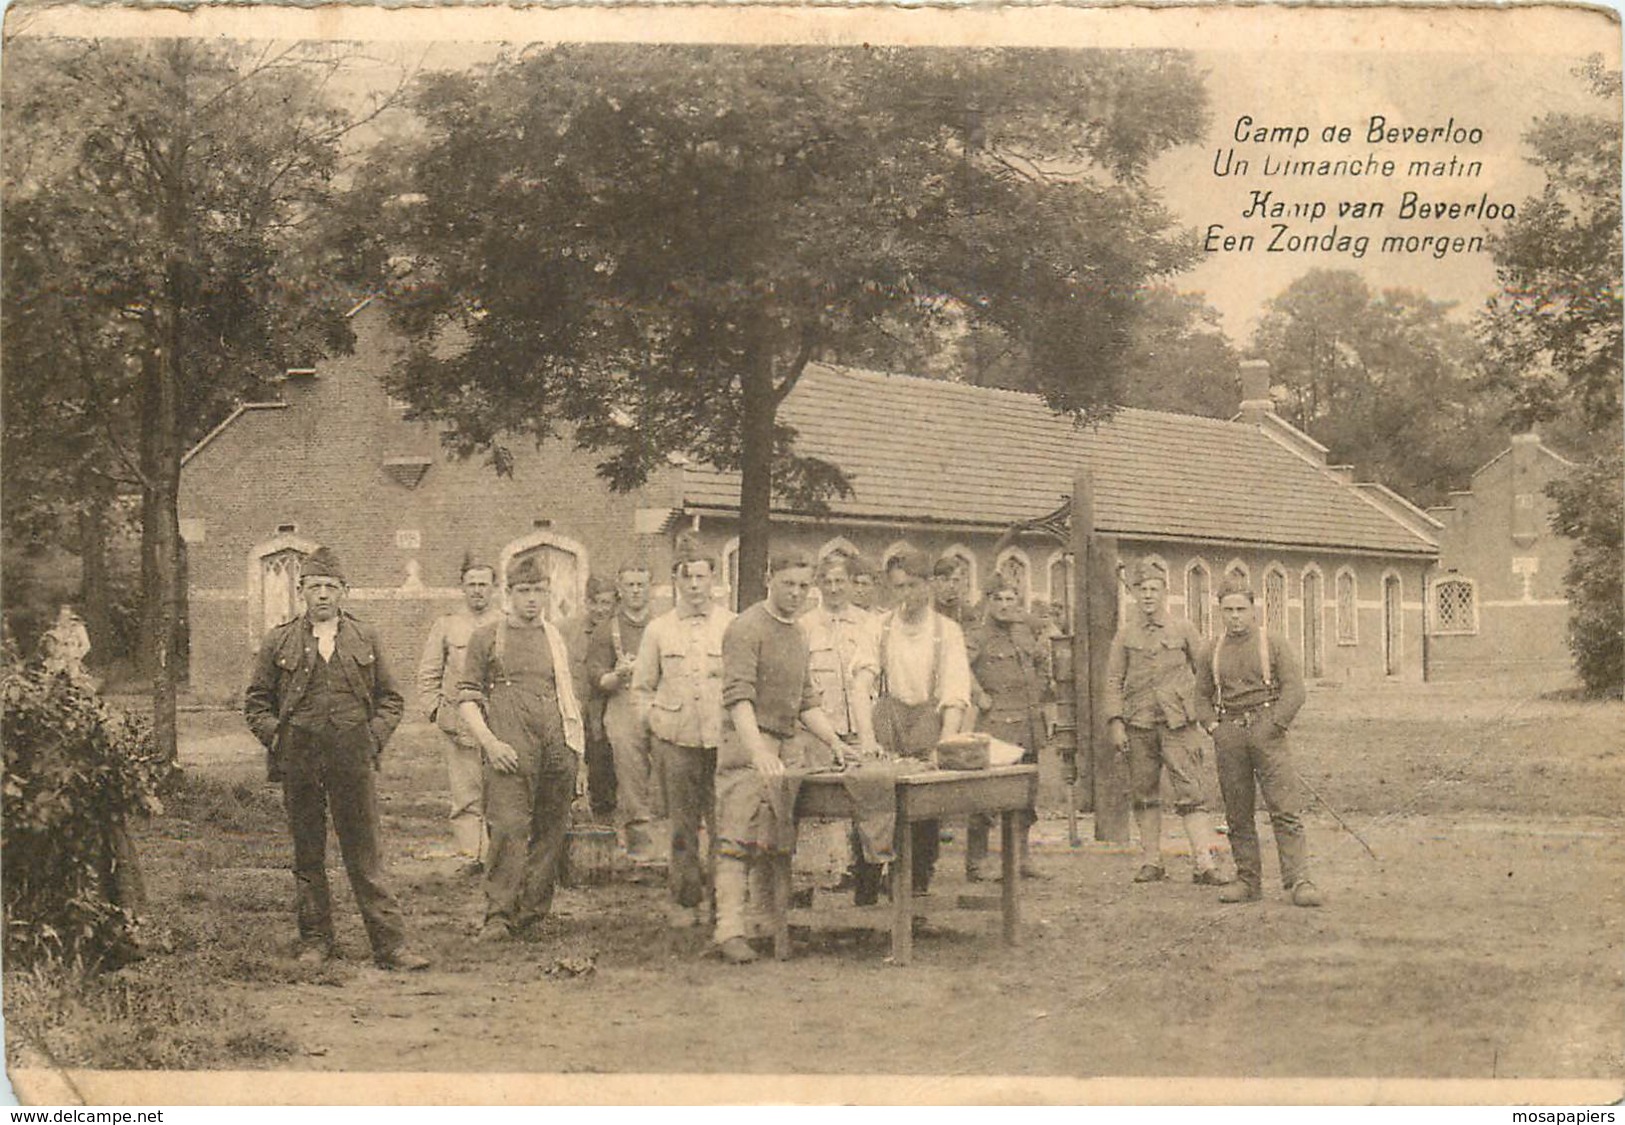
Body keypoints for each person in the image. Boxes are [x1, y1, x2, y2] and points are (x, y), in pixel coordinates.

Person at [243, 547, 429, 970]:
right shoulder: (279, 640)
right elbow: (255, 703)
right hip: (300, 758)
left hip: (352, 757)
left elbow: (392, 700)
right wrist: (280, 739)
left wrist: (371, 739)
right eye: (314, 587)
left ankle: (391, 945)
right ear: (301, 591)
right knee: (308, 854)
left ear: (344, 591)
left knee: (365, 853)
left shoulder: (365, 638)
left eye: (330, 587)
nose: (322, 595)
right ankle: (316, 941)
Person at [714, 550, 850, 964]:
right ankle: (728, 930)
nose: (795, 592)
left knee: (773, 841)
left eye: (803, 586)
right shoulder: (746, 627)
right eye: (788, 583)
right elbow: (738, 697)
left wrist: (836, 741)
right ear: (769, 578)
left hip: (785, 747)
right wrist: (758, 751)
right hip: (746, 745)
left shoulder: (798, 633)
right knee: (737, 839)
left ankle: (768, 925)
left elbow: (806, 698)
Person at [456, 555, 587, 941]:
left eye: (539, 591)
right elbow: (467, 698)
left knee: (550, 828)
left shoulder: (557, 638)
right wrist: (491, 743)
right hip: (509, 746)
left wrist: (576, 757)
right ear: (508, 593)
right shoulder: (488, 638)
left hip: (556, 744)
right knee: (509, 827)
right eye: (523, 591)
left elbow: (571, 699)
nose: (531, 599)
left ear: (548, 593)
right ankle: (499, 914)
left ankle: (533, 913)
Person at [852, 550, 973, 904]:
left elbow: (954, 694)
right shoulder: (879, 626)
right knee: (871, 802)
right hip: (887, 724)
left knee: (922, 817)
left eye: (913, 585)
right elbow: (861, 684)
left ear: (929, 584)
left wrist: (945, 744)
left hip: (927, 727)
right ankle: (866, 893)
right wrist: (866, 739)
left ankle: (914, 896)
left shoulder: (946, 632)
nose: (906, 595)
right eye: (898, 587)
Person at [1194, 575, 1321, 907]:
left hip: (1268, 729)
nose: (1235, 616)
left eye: (1241, 609)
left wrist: (1275, 724)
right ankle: (1248, 881)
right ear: (1220, 612)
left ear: (1253, 610)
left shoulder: (1273, 643)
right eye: (1228, 610)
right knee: (1237, 813)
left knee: (1284, 808)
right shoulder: (1212, 649)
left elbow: (1295, 690)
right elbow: (1201, 697)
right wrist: (1213, 728)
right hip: (1229, 734)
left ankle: (1298, 880)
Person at [1104, 560, 1228, 887]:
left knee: (1191, 792)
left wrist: (1205, 711)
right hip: (1139, 723)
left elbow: (1205, 673)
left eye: (1153, 589)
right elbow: (1114, 679)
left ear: (1164, 593)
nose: (1147, 595)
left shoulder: (1183, 630)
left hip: (1178, 725)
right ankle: (1151, 862)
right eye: (1141, 589)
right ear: (1133, 593)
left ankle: (1203, 863)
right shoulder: (1125, 635)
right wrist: (1116, 721)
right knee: (1144, 793)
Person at [632, 545, 734, 928]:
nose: (694, 586)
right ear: (675, 581)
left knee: (725, 822)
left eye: (701, 577)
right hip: (676, 741)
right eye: (686, 577)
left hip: (722, 741)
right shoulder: (659, 630)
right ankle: (686, 899)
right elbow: (641, 688)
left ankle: (724, 903)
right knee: (681, 825)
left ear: (713, 580)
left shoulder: (731, 625)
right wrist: (656, 723)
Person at [415, 559, 503, 874]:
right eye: (472, 584)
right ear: (463, 588)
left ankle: (499, 856)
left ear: (495, 588)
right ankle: (471, 856)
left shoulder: (506, 624)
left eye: (484, 584)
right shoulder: (447, 625)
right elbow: (428, 675)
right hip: (460, 723)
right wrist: (437, 712)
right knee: (466, 794)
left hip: (500, 723)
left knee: (501, 791)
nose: (478, 590)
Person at [965, 575, 1052, 881]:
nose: (1004, 605)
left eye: (1010, 599)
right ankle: (977, 861)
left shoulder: (1024, 632)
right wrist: (980, 695)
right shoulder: (977, 636)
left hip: (1027, 725)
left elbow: (1042, 662)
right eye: (998, 599)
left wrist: (1039, 691)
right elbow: (961, 668)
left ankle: (1021, 858)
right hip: (995, 725)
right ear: (988, 601)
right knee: (986, 797)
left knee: (1025, 795)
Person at [585, 563, 660, 861]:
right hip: (623, 702)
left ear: (650, 587)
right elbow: (596, 676)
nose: (636, 591)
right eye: (629, 585)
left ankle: (674, 835)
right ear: (620, 588)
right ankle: (638, 834)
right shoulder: (606, 630)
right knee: (630, 766)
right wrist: (618, 674)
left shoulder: (664, 625)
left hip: (661, 701)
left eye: (641, 584)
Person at [563, 574, 619, 821]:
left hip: (609, 713)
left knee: (606, 776)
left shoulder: (619, 631)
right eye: (594, 602)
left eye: (606, 603)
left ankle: (606, 825)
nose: (600, 609)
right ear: (586, 602)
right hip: (577, 710)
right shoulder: (567, 631)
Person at [41, 604, 92, 682]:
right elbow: (49, 644)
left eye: (66, 616)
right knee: (49, 678)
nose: (63, 618)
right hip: (56, 660)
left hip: (72, 660)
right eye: (61, 616)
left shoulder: (78, 628)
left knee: (73, 680)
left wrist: (77, 655)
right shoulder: (55, 628)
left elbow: (86, 645)